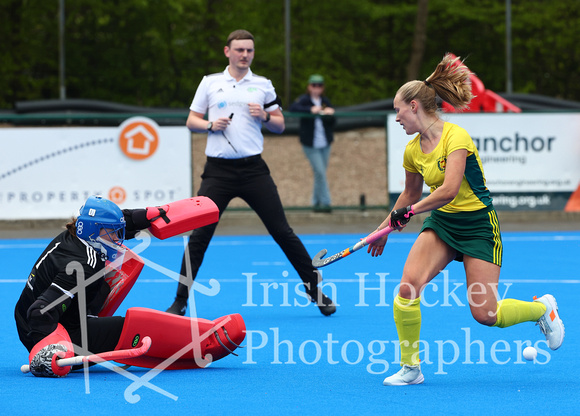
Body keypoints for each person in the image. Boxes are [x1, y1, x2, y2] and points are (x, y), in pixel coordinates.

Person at [367, 54, 565, 386]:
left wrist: (410, 213)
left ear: (414, 106)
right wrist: (383, 229)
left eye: (397, 109)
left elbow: (447, 190)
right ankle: (411, 369)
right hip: (443, 225)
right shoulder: (412, 151)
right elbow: (409, 196)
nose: (396, 116)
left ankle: (542, 309)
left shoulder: (455, 137)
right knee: (407, 288)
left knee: (486, 315)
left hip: (478, 227)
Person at [165, 30, 336, 317]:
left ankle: (316, 291)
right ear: (227, 52)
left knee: (282, 232)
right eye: (240, 50)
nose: (245, 55)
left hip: (253, 170)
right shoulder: (210, 83)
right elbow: (191, 120)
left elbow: (280, 124)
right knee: (199, 236)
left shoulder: (263, 85)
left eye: (249, 50)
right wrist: (209, 125)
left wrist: (267, 116)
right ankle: (180, 301)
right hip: (217, 172)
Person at [15, 195, 245, 377]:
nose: (118, 237)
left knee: (110, 274)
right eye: (113, 233)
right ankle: (203, 342)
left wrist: (149, 215)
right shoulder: (82, 265)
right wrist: (47, 351)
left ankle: (84, 319)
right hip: (47, 333)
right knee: (132, 328)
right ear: (95, 231)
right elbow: (40, 312)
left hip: (31, 319)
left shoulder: (75, 234)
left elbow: (122, 219)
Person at [289, 74, 336, 212]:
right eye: (314, 85)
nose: (316, 88)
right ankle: (326, 203)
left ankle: (315, 202)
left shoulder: (325, 101)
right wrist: (310, 110)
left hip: (325, 143)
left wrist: (330, 113)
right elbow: (293, 108)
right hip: (310, 144)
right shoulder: (304, 100)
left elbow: (333, 122)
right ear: (309, 87)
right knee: (320, 172)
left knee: (319, 173)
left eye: (319, 85)